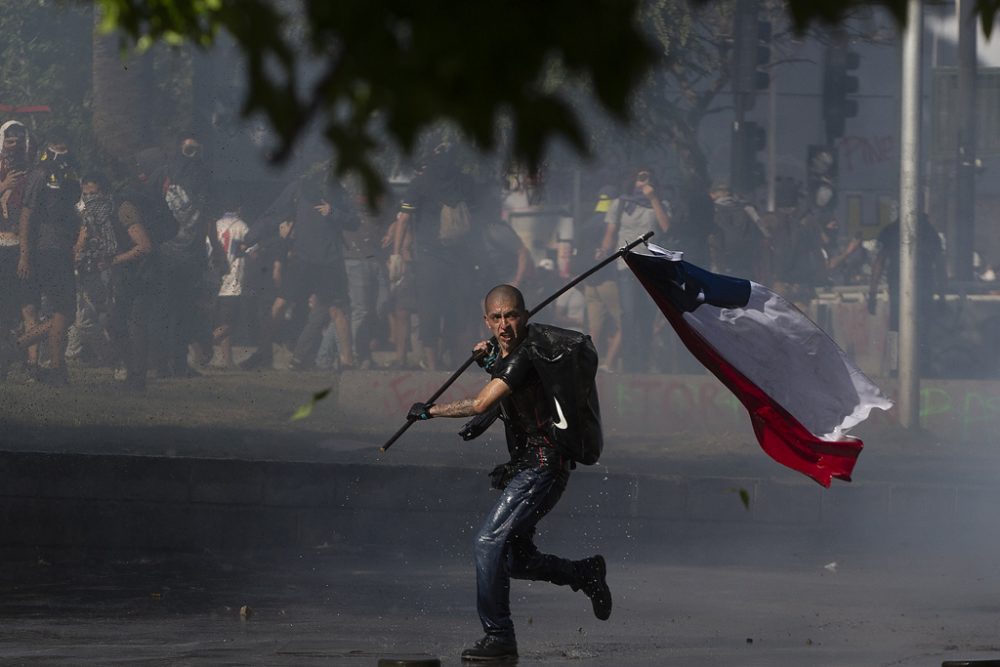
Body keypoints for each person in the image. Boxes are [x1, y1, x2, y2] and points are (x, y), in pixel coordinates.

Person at [407, 284, 611, 662]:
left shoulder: (527, 355)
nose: (505, 324)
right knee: (514, 559)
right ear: (487, 320)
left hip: (543, 466)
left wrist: (430, 412)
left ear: (525, 315)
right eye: (497, 317)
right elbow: (508, 384)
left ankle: (500, 636)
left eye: (512, 315)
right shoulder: (510, 356)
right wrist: (490, 362)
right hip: (527, 466)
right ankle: (584, 574)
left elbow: (484, 401)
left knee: (488, 543)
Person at [15, 129, 82, 385]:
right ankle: (54, 367)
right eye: (58, 145)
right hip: (46, 249)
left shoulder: (68, 174)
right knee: (63, 310)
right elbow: (26, 214)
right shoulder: (41, 173)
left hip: (62, 248)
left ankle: (21, 351)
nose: (63, 150)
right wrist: (24, 254)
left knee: (64, 312)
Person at [597, 167, 671, 373]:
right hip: (627, 265)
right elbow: (610, 233)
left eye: (647, 177)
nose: (643, 182)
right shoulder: (620, 203)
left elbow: (666, 227)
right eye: (640, 178)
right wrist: (603, 250)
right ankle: (629, 363)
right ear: (632, 180)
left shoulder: (660, 203)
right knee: (629, 314)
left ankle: (644, 362)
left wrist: (654, 198)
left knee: (647, 314)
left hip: (651, 267)